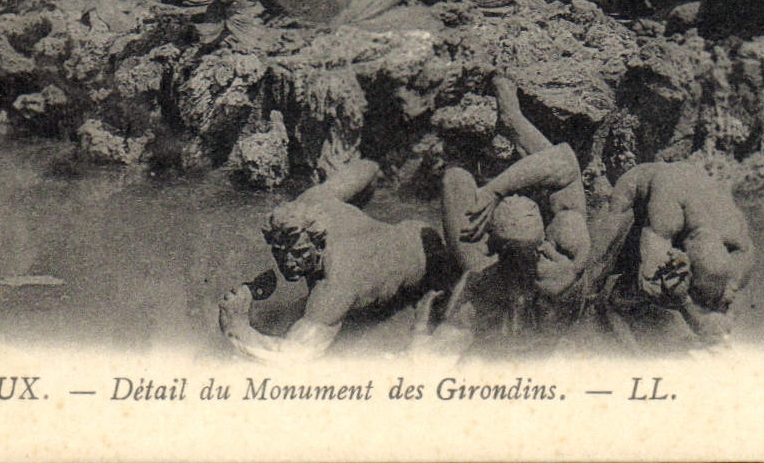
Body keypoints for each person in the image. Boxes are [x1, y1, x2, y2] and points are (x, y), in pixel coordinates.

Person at [413, 77, 591, 357]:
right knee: (569, 208)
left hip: (500, 312)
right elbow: (564, 162)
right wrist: (498, 190)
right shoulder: (565, 258)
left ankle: (479, 145)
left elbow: (432, 354)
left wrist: (421, 326)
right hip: (537, 332)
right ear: (543, 240)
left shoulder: (479, 276)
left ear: (490, 241)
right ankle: (513, 120)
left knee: (456, 177)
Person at [218, 159, 457, 361]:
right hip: (412, 231)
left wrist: (238, 327)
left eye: (298, 253)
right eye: (280, 252)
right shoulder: (313, 203)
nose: (288, 262)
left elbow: (294, 357)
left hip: (432, 270)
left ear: (318, 242)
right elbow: (369, 168)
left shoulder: (337, 283)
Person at [586, 161, 755, 346]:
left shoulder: (737, 237)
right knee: (596, 270)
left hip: (692, 198)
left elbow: (734, 289)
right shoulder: (666, 216)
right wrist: (685, 304)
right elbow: (650, 280)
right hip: (635, 192)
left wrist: (725, 306)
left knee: (713, 304)